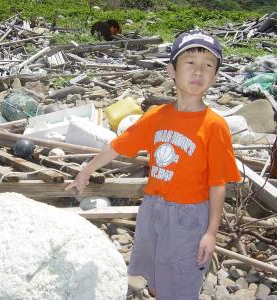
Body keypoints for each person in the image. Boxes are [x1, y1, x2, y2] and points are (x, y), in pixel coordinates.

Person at [65, 29, 242, 299]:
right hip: (153, 209)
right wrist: (86, 170)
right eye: (190, 63)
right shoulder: (156, 116)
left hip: (188, 217)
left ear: (215, 76)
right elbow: (118, 145)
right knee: (156, 278)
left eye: (208, 66)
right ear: (172, 70)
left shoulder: (215, 125)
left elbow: (217, 183)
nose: (198, 72)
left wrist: (210, 233)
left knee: (181, 284)